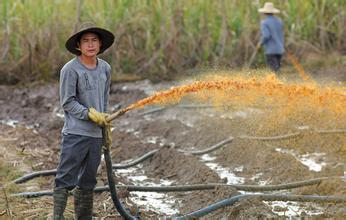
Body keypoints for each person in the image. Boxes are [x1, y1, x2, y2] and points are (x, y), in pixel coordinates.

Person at [53, 23, 114, 219]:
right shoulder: (70, 69)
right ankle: (57, 217)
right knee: (65, 179)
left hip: (96, 135)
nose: (90, 44)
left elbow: (104, 100)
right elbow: (68, 102)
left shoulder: (105, 68)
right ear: (78, 45)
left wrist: (105, 125)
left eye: (94, 40)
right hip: (76, 133)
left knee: (88, 181)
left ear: (100, 44)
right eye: (85, 41)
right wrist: (89, 114)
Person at [258, 2, 284, 73]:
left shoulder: (264, 23)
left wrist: (260, 44)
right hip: (280, 49)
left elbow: (266, 35)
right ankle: (278, 82)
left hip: (271, 50)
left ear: (264, 12)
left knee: (273, 71)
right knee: (277, 69)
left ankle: (276, 83)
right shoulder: (279, 21)